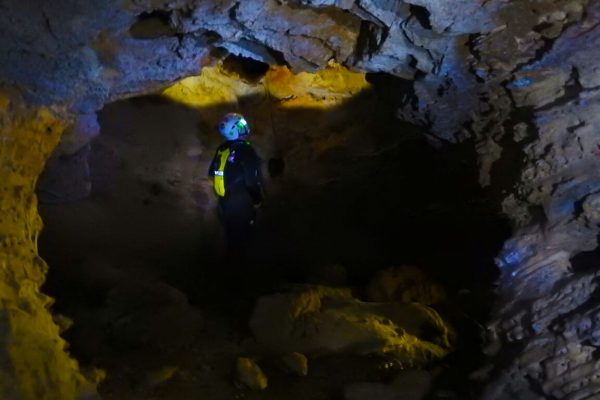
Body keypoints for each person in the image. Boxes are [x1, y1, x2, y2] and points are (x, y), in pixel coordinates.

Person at [208, 113, 264, 261]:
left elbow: (211, 175)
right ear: (233, 131)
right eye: (240, 126)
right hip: (242, 203)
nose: (244, 127)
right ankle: (241, 273)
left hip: (225, 202)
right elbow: (251, 181)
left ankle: (229, 269)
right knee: (244, 239)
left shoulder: (222, 149)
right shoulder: (246, 150)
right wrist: (257, 200)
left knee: (231, 238)